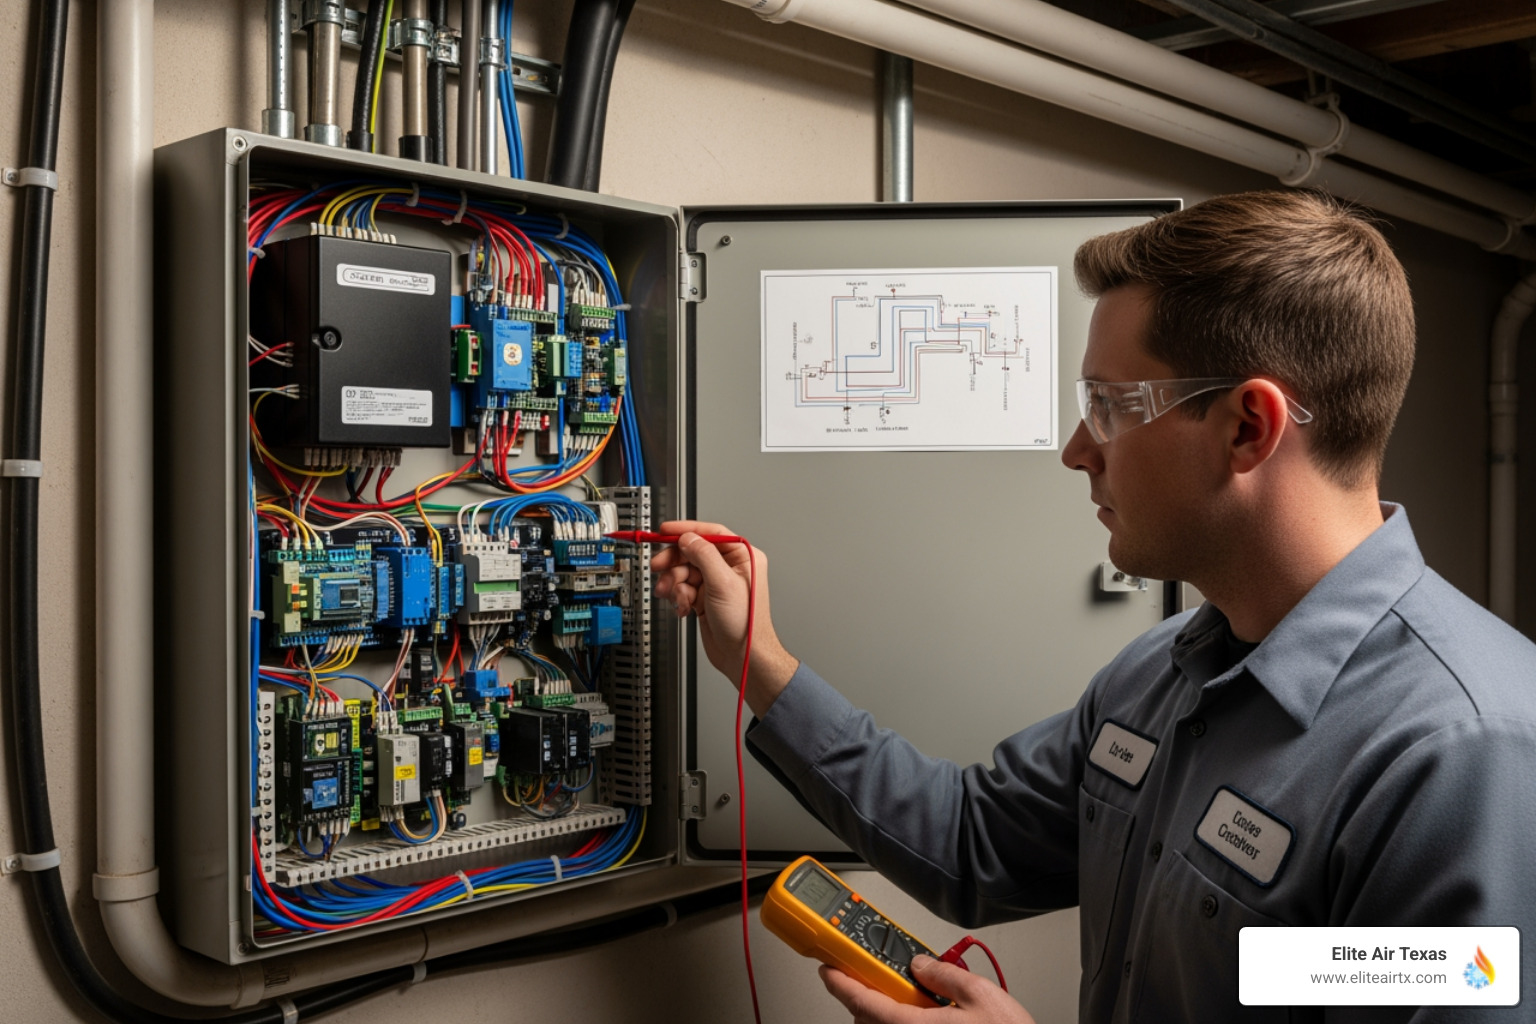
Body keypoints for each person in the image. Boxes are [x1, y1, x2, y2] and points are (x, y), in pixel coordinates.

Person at [651, 191, 1536, 1023]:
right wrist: (756, 661)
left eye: (1110, 406)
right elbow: (973, 842)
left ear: (1247, 428)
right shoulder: (1160, 676)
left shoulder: (1459, 754)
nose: (1077, 450)